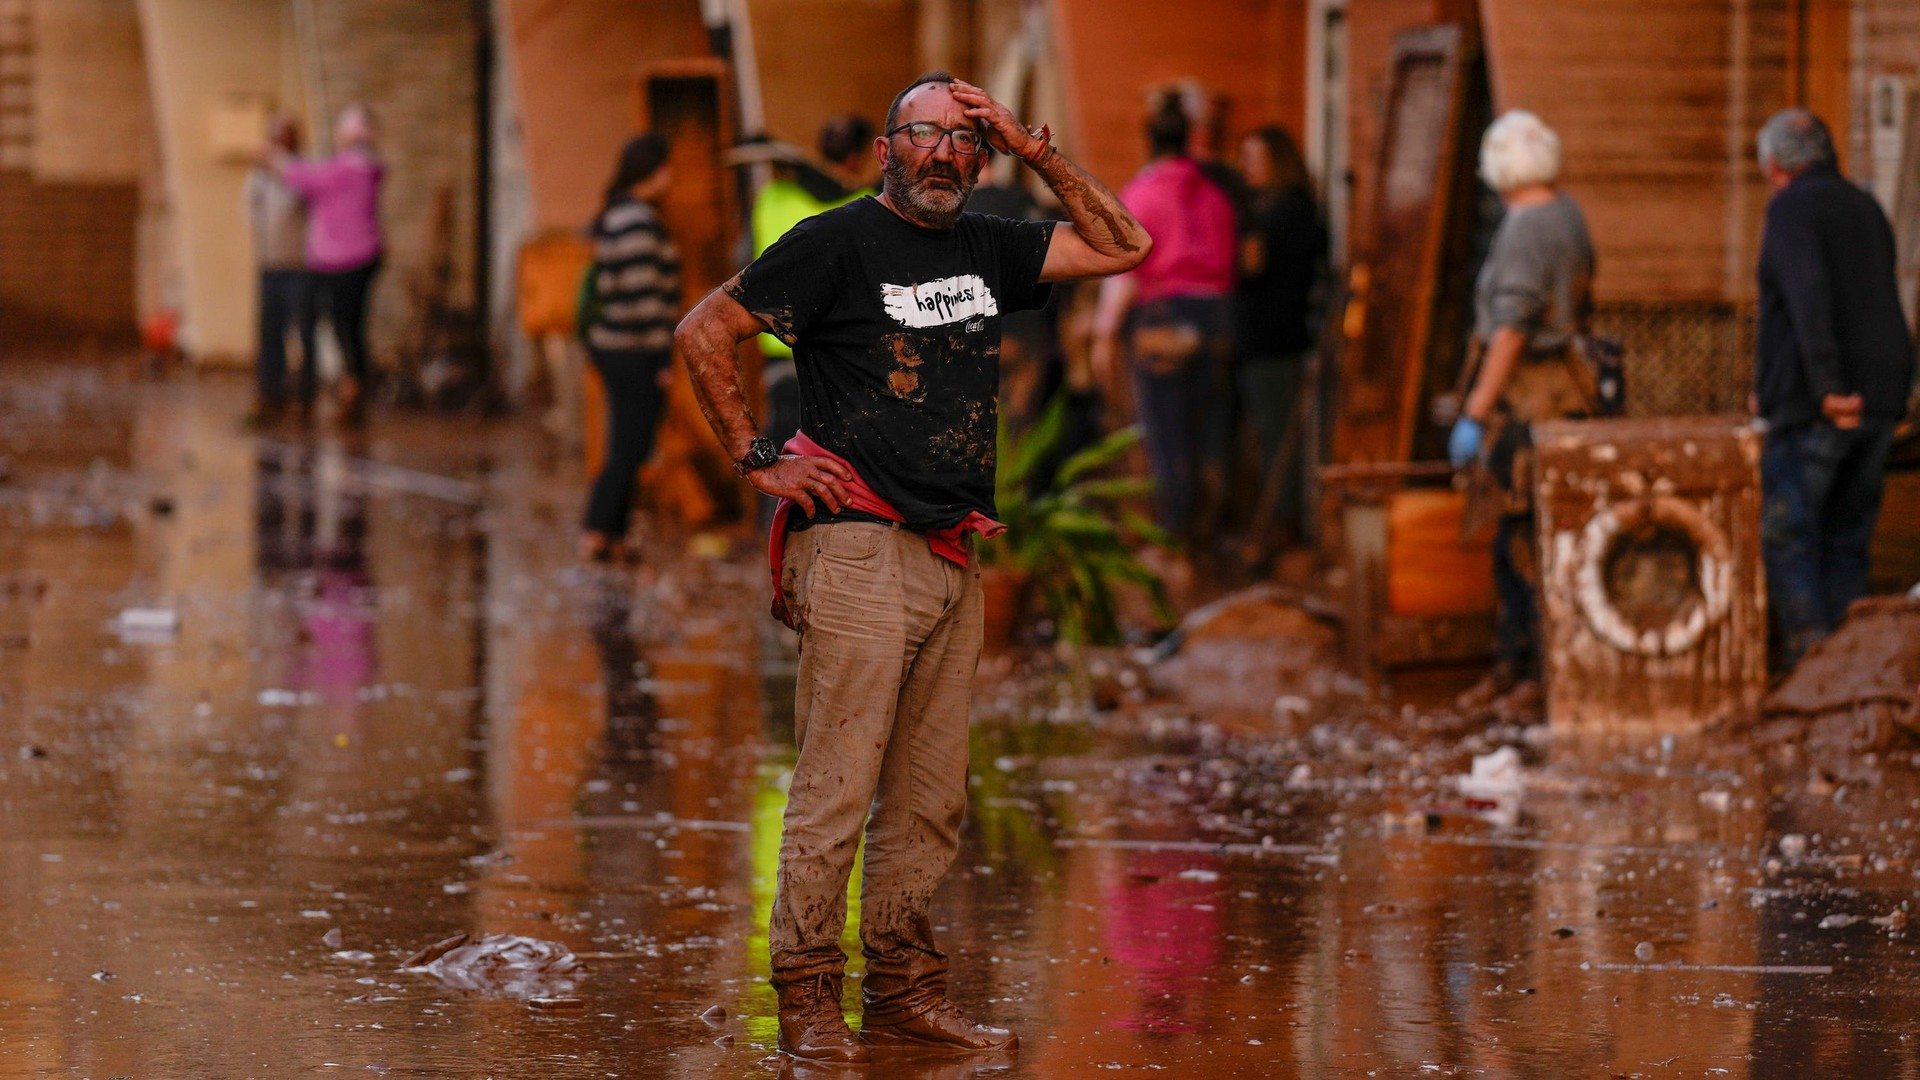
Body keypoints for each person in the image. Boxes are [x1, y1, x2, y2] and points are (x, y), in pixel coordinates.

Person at [674, 72, 1149, 1062]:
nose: (944, 155)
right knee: (836, 788)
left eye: (963, 143)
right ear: (887, 149)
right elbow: (705, 329)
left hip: (948, 549)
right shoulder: (835, 242)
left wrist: (1036, 150)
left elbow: (1123, 245)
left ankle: (903, 991)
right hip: (852, 543)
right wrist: (761, 457)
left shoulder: (989, 246)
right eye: (923, 136)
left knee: (933, 799)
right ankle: (807, 998)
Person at [1751, 109, 1915, 667]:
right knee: (1847, 537)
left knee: (1791, 534)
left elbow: (1808, 297)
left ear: (1775, 165)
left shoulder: (1792, 209)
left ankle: (1812, 664)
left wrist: (1825, 386)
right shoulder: (1865, 206)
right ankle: (1852, 667)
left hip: (1826, 404)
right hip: (1880, 397)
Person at [1446, 110, 1596, 712]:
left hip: (1532, 406)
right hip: (1567, 398)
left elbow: (1511, 328)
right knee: (1533, 543)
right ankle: (1521, 669)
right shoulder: (1567, 214)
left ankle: (1530, 673)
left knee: (1523, 548)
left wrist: (1476, 412)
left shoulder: (1526, 229)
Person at [1090, 92, 1237, 541]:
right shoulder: (1216, 196)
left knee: (1168, 433)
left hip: (1163, 319)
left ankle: (1177, 539)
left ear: (1148, 142)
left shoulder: (1142, 194)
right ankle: (1214, 533)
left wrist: (1103, 333)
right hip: (1218, 318)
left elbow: (1125, 270)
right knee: (1212, 432)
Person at [747, 117, 879, 486]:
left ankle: (772, 527)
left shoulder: (773, 198)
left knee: (779, 448)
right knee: (836, 453)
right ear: (857, 158)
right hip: (834, 352)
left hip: (777, 342)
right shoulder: (861, 205)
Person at [579, 133, 680, 563]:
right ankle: (596, 531)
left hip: (616, 346)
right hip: (632, 348)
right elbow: (644, 298)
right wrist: (662, 359)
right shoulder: (636, 220)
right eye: (666, 167)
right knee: (630, 446)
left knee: (630, 443)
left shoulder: (619, 215)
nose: (672, 177)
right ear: (650, 172)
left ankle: (612, 534)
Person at [1235, 124, 1327, 541]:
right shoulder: (1301, 209)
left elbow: (1252, 268)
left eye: (1254, 159)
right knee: (1280, 435)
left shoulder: (1276, 215)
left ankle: (1283, 525)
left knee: (1277, 437)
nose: (1246, 168)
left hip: (1271, 341)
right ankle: (1284, 522)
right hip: (1283, 337)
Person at [274, 103, 384, 415]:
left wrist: (278, 159)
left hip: (344, 259)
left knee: (343, 324)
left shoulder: (350, 169)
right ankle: (353, 381)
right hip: (356, 256)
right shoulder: (364, 168)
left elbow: (306, 179)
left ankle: (352, 384)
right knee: (349, 324)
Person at [247, 114, 318, 423]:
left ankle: (304, 394)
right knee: (269, 331)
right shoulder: (260, 179)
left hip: (301, 266)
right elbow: (252, 213)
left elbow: (303, 201)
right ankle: (270, 391)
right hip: (271, 264)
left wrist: (281, 166)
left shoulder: (304, 172)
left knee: (303, 331)